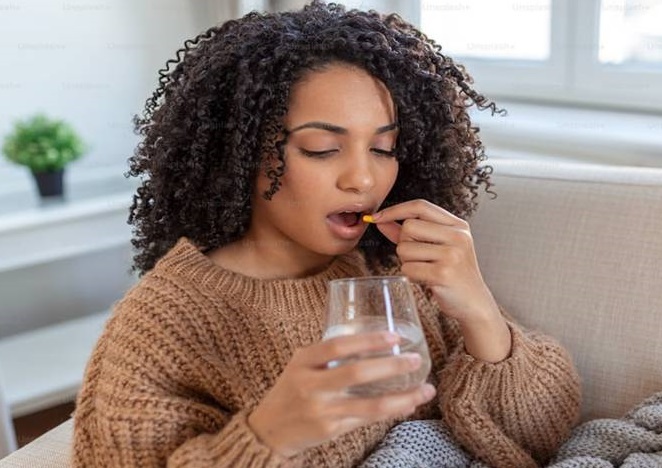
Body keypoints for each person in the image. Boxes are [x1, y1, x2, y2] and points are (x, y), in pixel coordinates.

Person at [72, 1, 581, 467]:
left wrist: (479, 311)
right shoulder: (164, 323)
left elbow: (543, 437)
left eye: (383, 149)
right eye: (321, 148)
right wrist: (267, 436)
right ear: (241, 153)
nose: (362, 179)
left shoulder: (397, 267)